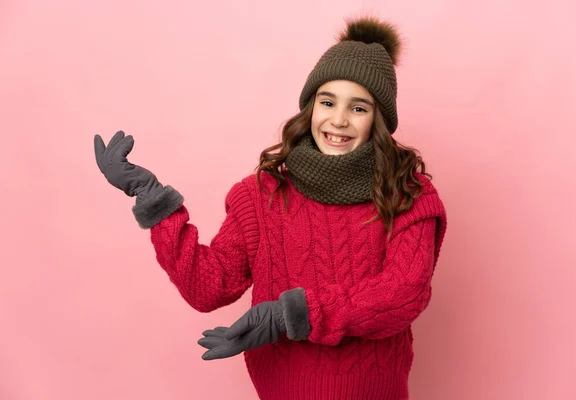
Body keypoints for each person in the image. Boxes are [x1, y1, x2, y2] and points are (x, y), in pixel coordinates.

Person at [94, 15, 447, 400]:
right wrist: (150, 196)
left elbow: (404, 292)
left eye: (359, 108)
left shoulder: (409, 195)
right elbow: (207, 287)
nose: (339, 120)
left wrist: (291, 315)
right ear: (311, 107)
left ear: (379, 119)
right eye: (327, 102)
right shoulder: (262, 194)